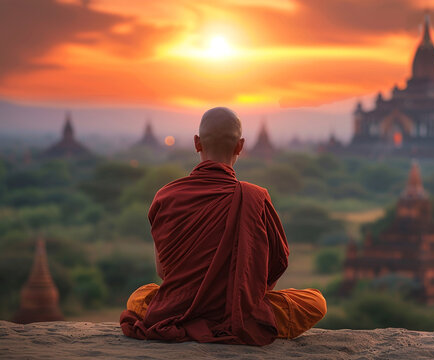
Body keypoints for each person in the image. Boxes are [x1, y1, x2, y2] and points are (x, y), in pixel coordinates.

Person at [120, 107, 326, 345]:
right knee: (315, 301)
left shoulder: (165, 196)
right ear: (240, 146)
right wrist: (240, 293)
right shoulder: (255, 197)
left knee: (141, 296)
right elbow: (273, 267)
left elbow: (163, 272)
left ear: (197, 143)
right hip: (239, 311)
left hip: (177, 308)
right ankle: (238, 317)